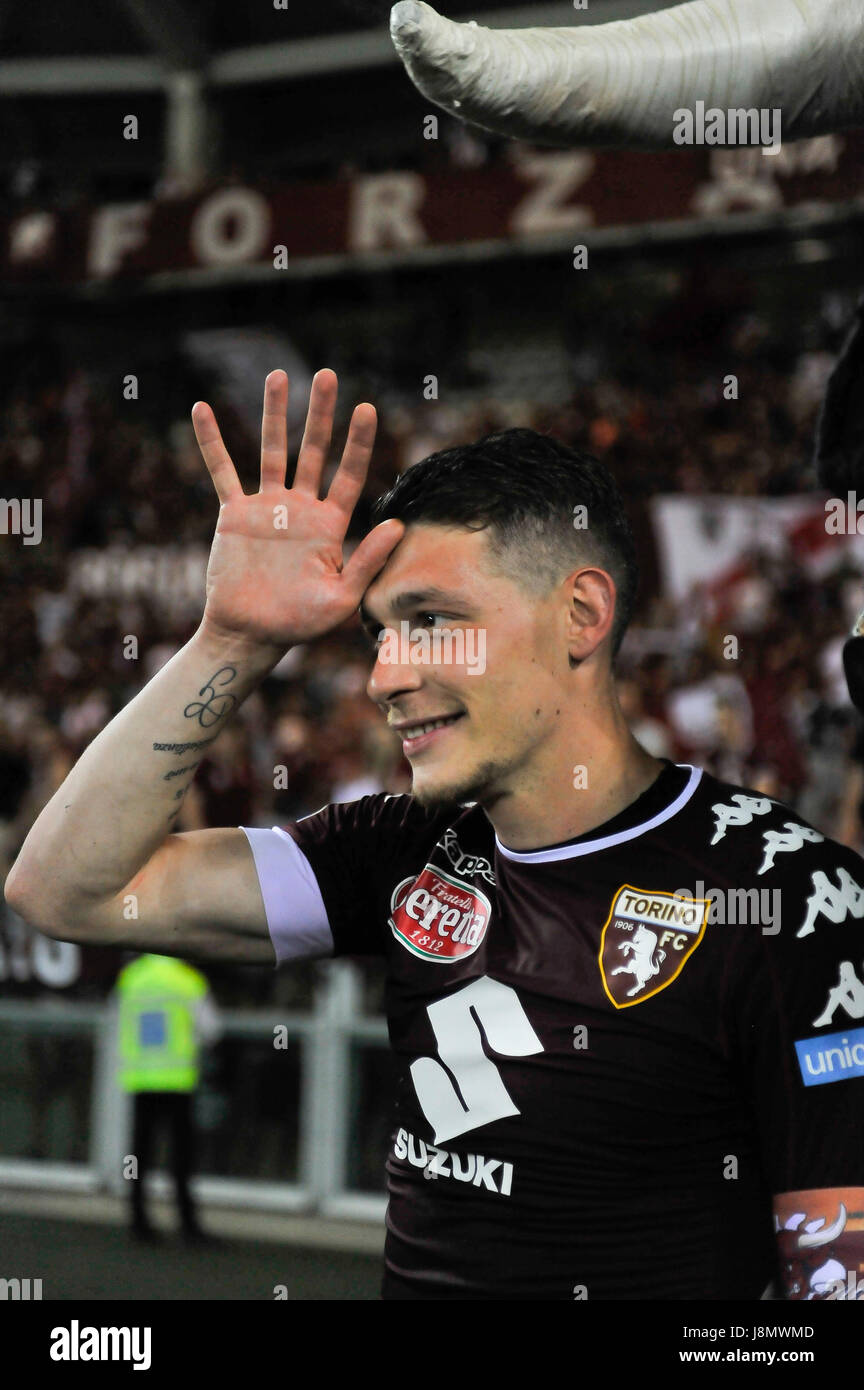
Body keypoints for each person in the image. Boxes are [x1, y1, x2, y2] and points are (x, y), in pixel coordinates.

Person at [6, 370, 863, 1300]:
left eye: (432, 623)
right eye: (379, 633)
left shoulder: (791, 904)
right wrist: (234, 641)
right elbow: (65, 891)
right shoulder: (397, 852)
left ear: (581, 616)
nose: (384, 676)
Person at [113, 952, 221, 1242]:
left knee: (139, 1155)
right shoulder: (187, 980)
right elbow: (211, 1029)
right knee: (181, 1155)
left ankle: (138, 1221)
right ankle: (188, 1224)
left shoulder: (132, 976)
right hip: (177, 1081)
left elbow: (118, 1021)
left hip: (141, 1079)